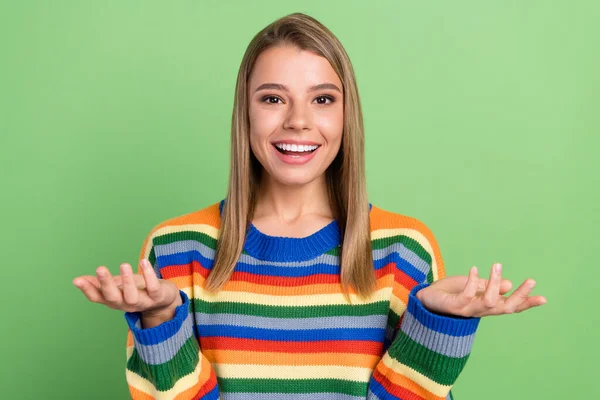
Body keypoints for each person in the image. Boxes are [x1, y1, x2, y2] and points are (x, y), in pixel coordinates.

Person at [72, 12, 547, 400]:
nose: (298, 121)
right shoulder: (176, 248)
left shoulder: (403, 249)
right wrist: (158, 320)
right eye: (273, 98)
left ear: (346, 113)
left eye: (322, 99)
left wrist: (437, 325)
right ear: (245, 112)